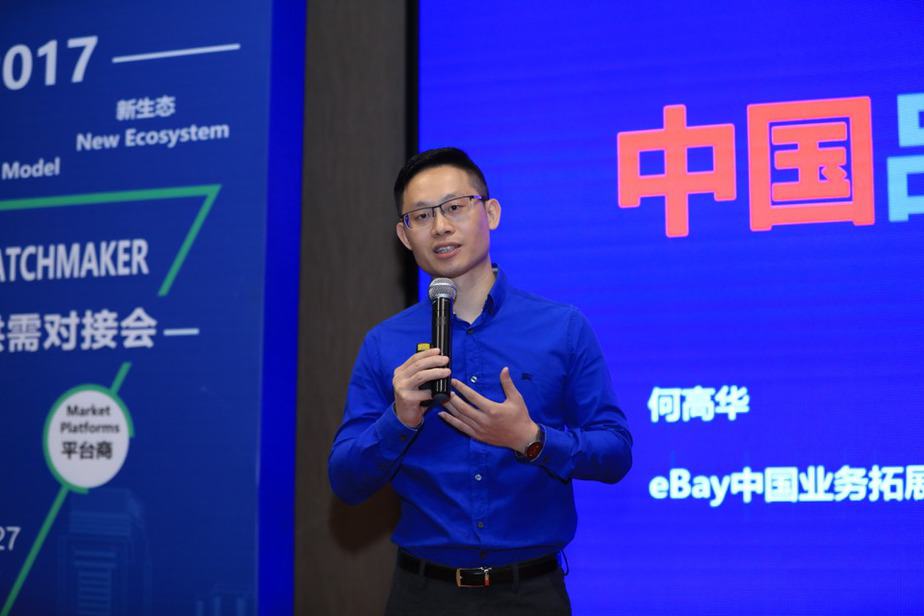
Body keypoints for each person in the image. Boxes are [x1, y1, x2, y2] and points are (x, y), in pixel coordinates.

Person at [328, 147, 633, 615]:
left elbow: (615, 452)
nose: (440, 227)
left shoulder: (562, 328)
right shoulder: (384, 344)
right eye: (421, 216)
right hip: (422, 595)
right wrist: (399, 420)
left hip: (530, 594)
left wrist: (531, 439)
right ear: (405, 236)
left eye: (455, 207)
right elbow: (346, 482)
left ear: (490, 213)